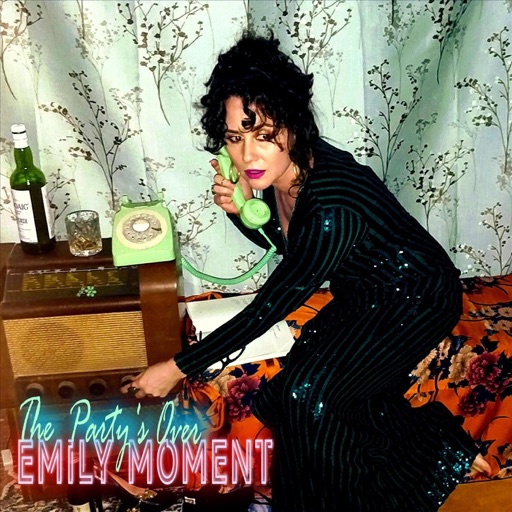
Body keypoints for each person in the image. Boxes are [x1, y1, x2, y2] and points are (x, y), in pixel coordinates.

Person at [122, 33, 486, 511]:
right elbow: (293, 248)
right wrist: (243, 212)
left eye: (263, 135)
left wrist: (176, 367)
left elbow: (273, 302)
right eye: (234, 138)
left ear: (293, 126)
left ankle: (408, 464)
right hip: (364, 291)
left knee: (308, 396)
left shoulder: (332, 202)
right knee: (290, 396)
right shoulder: (284, 174)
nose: (247, 156)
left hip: (416, 298)